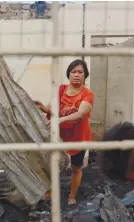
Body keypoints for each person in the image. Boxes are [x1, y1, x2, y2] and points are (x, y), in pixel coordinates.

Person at [35, 59, 94, 205]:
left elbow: (80, 114)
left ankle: (72, 196)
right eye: (73, 72)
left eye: (80, 72)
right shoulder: (61, 90)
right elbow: (53, 111)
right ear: (69, 75)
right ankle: (52, 190)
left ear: (85, 75)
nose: (76, 75)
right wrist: (43, 107)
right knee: (52, 164)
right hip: (60, 136)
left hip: (79, 137)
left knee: (76, 167)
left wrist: (60, 120)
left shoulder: (88, 94)